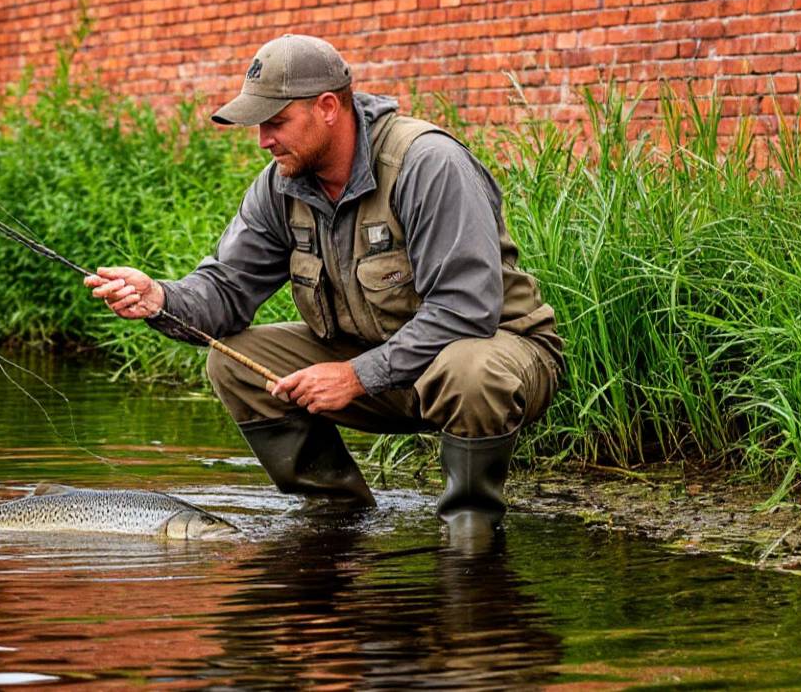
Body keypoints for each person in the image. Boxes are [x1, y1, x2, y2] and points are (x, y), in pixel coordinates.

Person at [85, 34, 563, 540]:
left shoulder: (427, 164)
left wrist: (356, 376)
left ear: (328, 107)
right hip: (384, 367)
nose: (263, 139)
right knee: (232, 360)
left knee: (471, 367)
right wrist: (160, 298)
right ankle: (336, 522)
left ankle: (471, 536)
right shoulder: (280, 186)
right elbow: (226, 291)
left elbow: (465, 310)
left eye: (276, 121)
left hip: (497, 359)